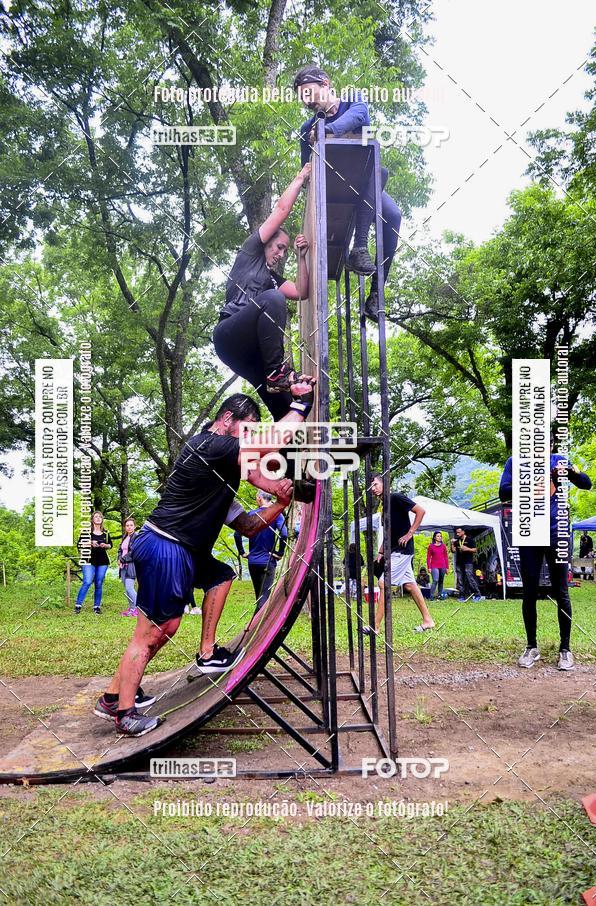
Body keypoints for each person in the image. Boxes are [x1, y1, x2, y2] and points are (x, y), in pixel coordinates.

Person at [94, 385, 315, 736]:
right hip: (165, 544)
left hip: (184, 550)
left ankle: (203, 655)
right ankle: (123, 713)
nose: (250, 437)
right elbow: (266, 443)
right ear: (226, 419)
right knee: (155, 631)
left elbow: (248, 525)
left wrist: (281, 501)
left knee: (220, 575)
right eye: (247, 428)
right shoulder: (209, 445)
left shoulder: (219, 480)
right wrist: (300, 405)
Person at [293, 65, 402, 323]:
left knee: (393, 214)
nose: (307, 102)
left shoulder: (354, 101)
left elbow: (359, 116)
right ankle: (360, 246)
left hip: (363, 184)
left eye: (308, 93)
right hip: (333, 189)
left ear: (325, 83)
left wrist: (326, 131)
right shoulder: (307, 127)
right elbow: (306, 170)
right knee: (379, 174)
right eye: (302, 98)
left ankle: (375, 294)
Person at [213, 164, 314, 421]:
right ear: (265, 242)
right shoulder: (250, 253)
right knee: (273, 298)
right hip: (230, 336)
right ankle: (276, 372)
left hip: (252, 355)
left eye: (285, 251)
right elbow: (281, 210)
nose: (281, 254)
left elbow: (301, 291)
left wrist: (301, 257)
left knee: (290, 407)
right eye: (278, 247)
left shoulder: (273, 280)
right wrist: (301, 177)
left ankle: (285, 450)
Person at [499, 439, 592, 670]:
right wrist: (530, 483)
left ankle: (565, 649)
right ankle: (531, 647)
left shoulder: (559, 460)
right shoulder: (515, 462)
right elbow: (503, 492)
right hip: (529, 531)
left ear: (550, 445)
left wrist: (570, 472)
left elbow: (586, 483)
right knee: (529, 591)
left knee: (561, 591)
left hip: (556, 532)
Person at [370, 476, 435, 634]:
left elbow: (421, 511)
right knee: (410, 585)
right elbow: (388, 533)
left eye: (375, 484)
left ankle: (375, 626)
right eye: (371, 486)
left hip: (402, 550)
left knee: (383, 583)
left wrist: (410, 533)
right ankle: (428, 620)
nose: (373, 488)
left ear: (384, 483)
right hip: (393, 550)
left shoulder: (396, 497)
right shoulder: (384, 506)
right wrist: (380, 552)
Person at [234, 490, 288, 612]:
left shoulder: (251, 514)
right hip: (268, 560)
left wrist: (242, 552)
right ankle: (257, 622)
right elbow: (284, 534)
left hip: (253, 561)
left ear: (259, 498)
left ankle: (257, 622)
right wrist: (280, 553)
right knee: (264, 598)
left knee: (260, 597)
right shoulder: (276, 514)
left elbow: (237, 534)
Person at [75, 511, 112, 615]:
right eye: (96, 517)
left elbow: (110, 545)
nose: (98, 518)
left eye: (100, 517)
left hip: (102, 561)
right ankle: (78, 605)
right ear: (92, 519)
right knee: (87, 581)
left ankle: (97, 607)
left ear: (102, 519)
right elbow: (79, 544)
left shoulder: (106, 533)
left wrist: (105, 545)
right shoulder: (86, 532)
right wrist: (90, 543)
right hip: (88, 560)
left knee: (99, 583)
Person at [451, 528, 483, 602]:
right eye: (456, 533)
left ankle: (477, 594)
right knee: (460, 579)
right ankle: (462, 596)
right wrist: (452, 544)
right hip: (459, 563)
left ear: (463, 532)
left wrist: (467, 549)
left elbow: (475, 550)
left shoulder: (469, 540)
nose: (457, 534)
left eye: (459, 532)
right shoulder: (457, 541)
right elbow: (453, 551)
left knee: (470, 578)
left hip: (468, 562)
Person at [118, 517, 138, 617]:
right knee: (127, 589)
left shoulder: (136, 537)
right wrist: (119, 559)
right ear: (125, 527)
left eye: (131, 525)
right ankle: (132, 608)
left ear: (135, 526)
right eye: (127, 525)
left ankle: (139, 609)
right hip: (123, 567)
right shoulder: (125, 537)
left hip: (131, 566)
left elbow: (134, 552)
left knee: (130, 588)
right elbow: (120, 550)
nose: (129, 527)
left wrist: (122, 559)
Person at [427, 531, 449, 600]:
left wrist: (447, 567)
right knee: (435, 580)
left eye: (440, 536)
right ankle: (431, 596)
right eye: (438, 536)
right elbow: (428, 557)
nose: (439, 537)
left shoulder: (443, 546)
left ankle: (439, 595)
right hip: (434, 566)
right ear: (434, 537)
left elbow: (446, 557)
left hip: (443, 566)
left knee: (441, 581)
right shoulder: (431, 546)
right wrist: (429, 567)